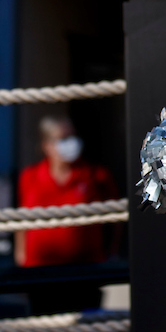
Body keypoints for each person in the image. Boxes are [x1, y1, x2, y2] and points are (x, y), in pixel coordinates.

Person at [16, 116, 118, 314]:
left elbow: (116, 219)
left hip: (85, 271)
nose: (70, 143)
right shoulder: (29, 177)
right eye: (62, 138)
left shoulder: (96, 175)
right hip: (40, 272)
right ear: (47, 145)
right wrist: (20, 255)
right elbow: (22, 219)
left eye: (72, 136)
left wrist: (112, 252)